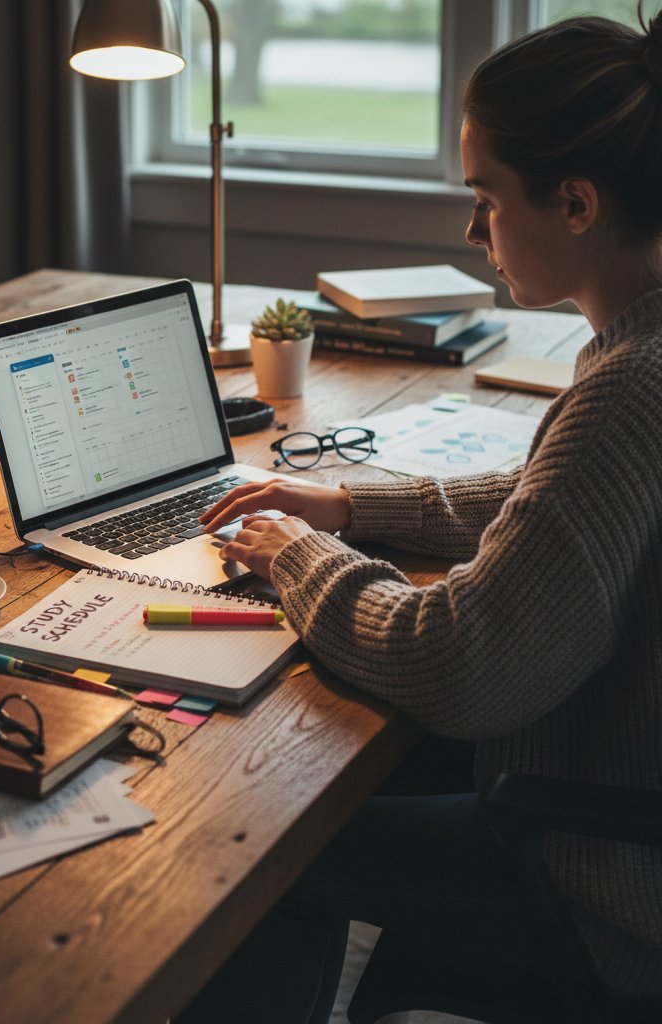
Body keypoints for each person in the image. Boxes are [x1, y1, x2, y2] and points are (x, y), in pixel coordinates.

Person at [177, 6, 662, 1021]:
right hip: (604, 799)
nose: (471, 230)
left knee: (256, 838)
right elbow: (568, 513)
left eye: (485, 197)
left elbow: (461, 664)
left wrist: (298, 554)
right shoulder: (637, 364)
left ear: (574, 202)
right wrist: (351, 506)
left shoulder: (630, 390)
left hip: (610, 894)